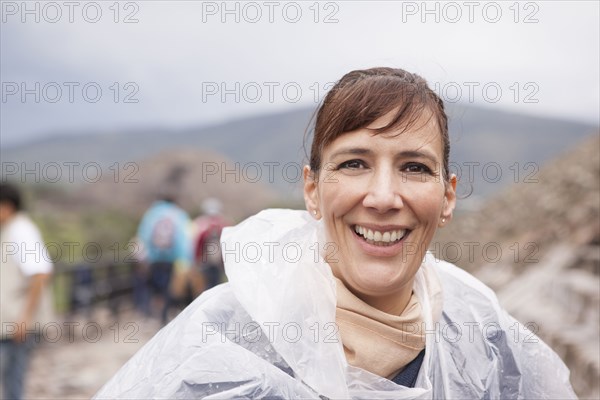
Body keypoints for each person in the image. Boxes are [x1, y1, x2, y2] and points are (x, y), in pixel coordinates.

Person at [95, 68, 576, 399]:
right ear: (312, 190)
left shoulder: (494, 352)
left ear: (448, 196)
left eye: (414, 167)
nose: (384, 197)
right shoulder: (221, 349)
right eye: (353, 164)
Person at [0, 183, 55, 400]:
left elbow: (40, 273)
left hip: (17, 323)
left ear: (7, 206)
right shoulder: (10, 229)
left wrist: (25, 317)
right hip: (10, 323)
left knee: (13, 379)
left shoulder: (21, 230)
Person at [136, 195, 193, 325]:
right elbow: (184, 238)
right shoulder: (178, 214)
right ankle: (164, 316)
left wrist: (142, 258)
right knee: (168, 287)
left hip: (154, 258)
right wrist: (185, 259)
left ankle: (154, 313)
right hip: (171, 258)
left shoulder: (152, 213)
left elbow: (143, 236)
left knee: (155, 287)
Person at [190, 197, 229, 297]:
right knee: (217, 288)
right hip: (218, 265)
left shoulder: (200, 224)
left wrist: (195, 261)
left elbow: (196, 244)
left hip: (204, 263)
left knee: (205, 289)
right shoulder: (224, 224)